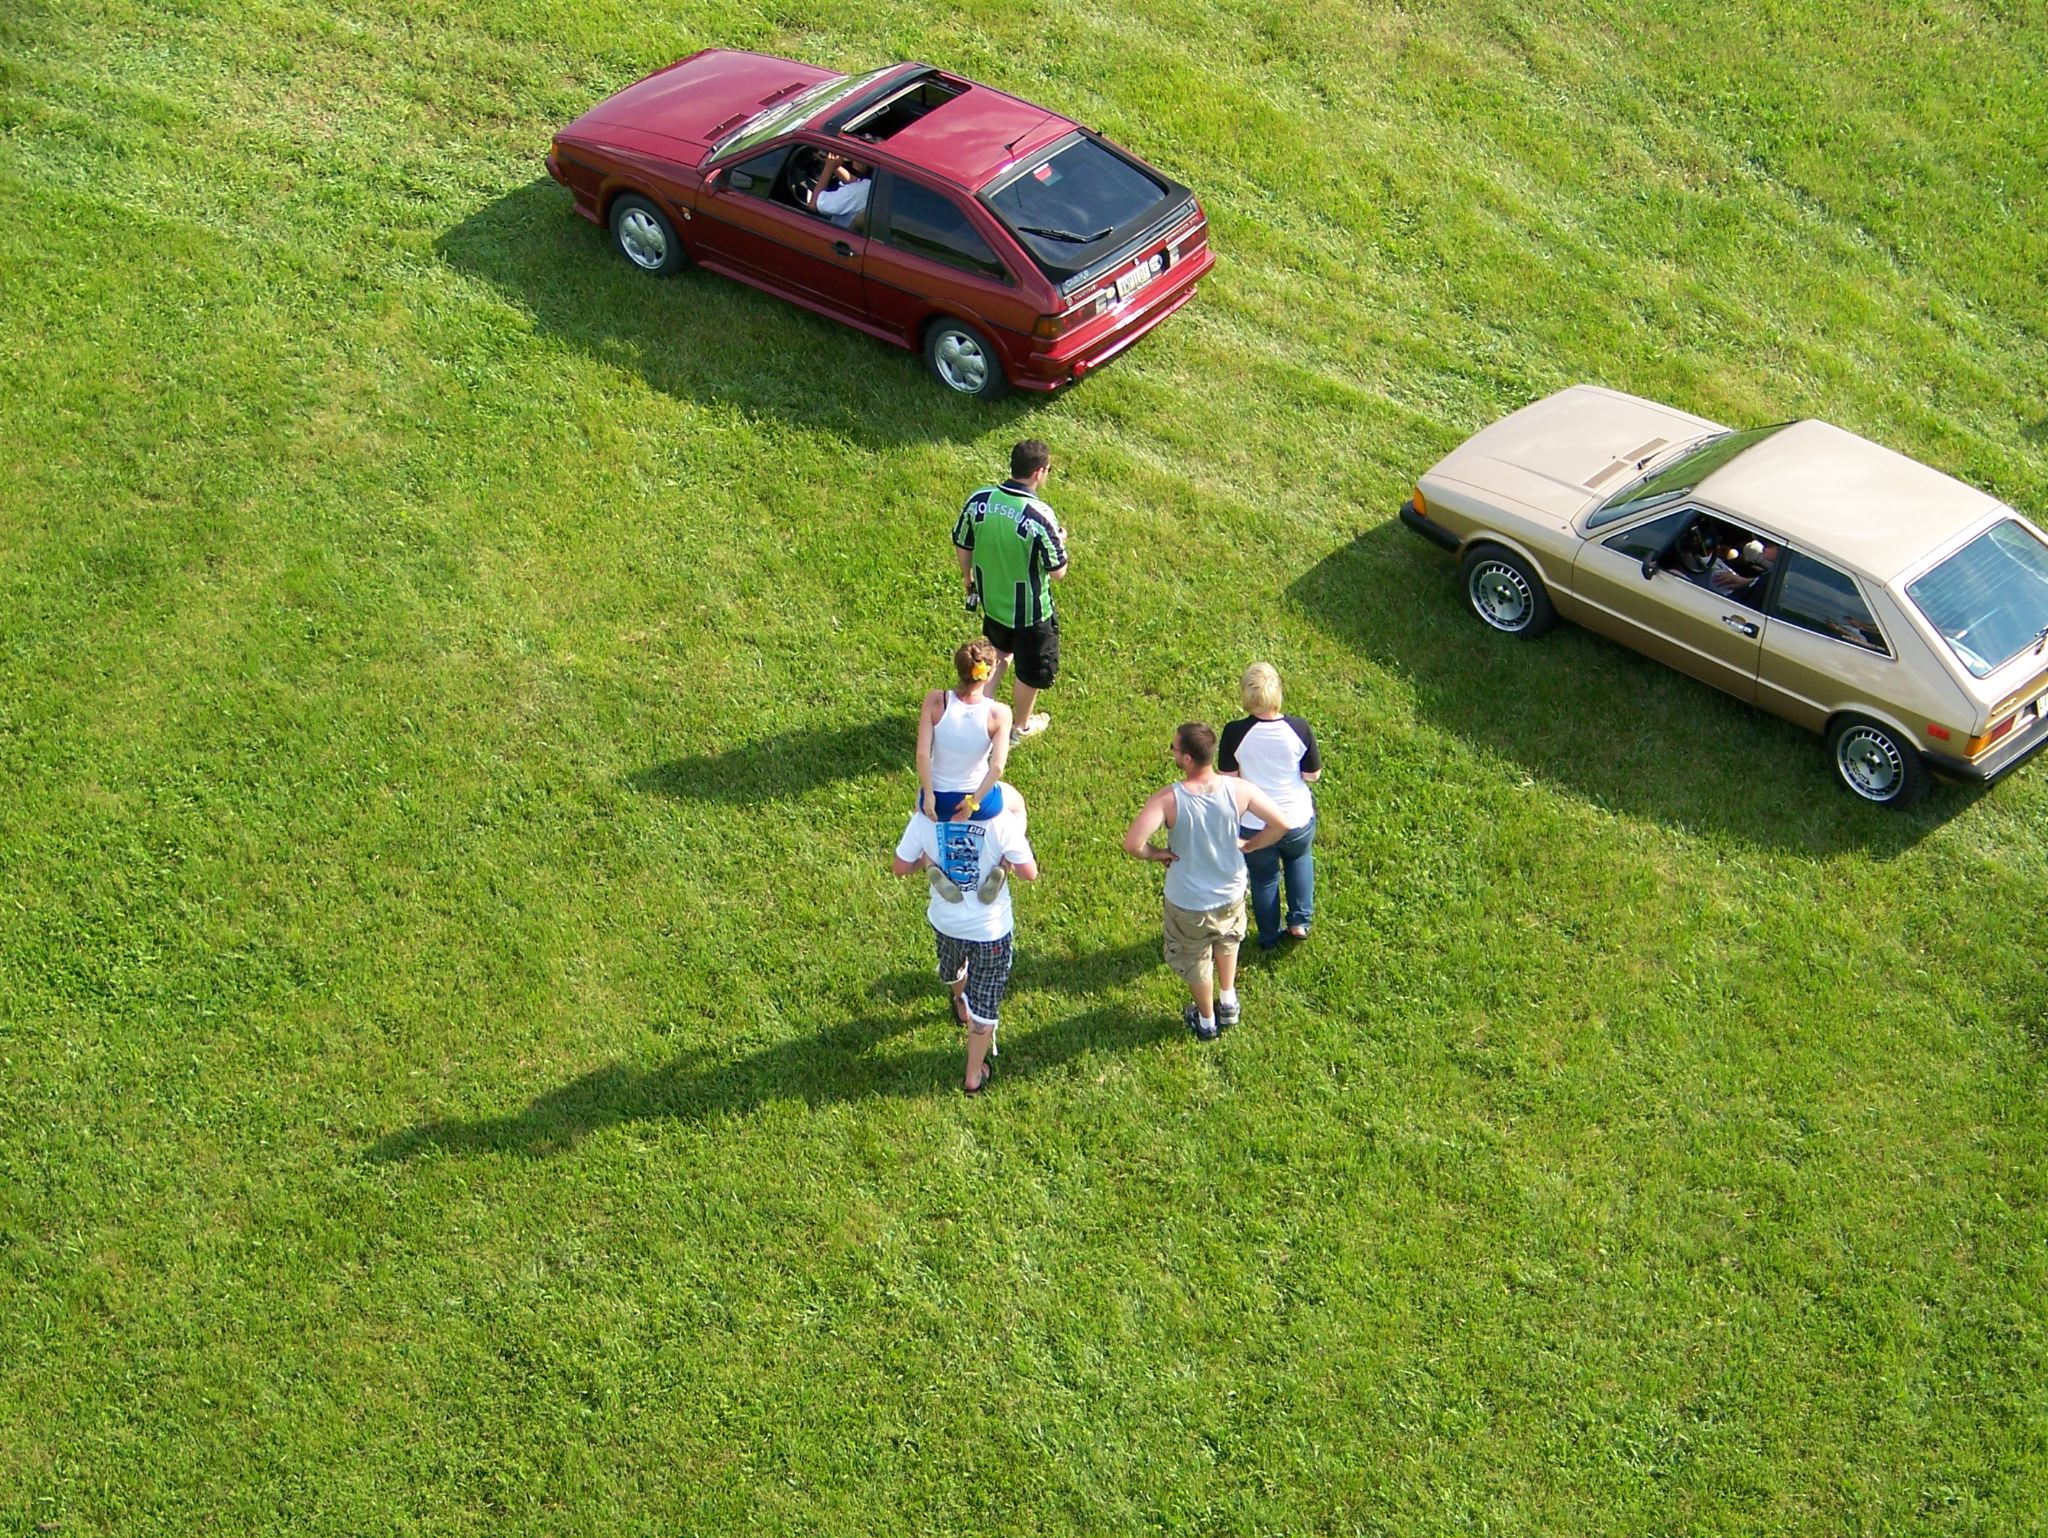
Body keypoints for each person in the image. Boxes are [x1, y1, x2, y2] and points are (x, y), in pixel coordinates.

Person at [1123, 723, 1291, 1041]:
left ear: (1187, 758)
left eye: (1174, 748)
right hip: (1230, 892)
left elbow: (1133, 844)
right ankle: (1228, 1001)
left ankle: (1206, 1020)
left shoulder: (1168, 800)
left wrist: (1157, 853)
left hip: (1188, 901)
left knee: (1195, 958)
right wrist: (1249, 845)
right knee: (1227, 941)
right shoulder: (1239, 790)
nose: (1171, 752)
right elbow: (1281, 823)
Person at [892, 789, 1037, 1093]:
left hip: (947, 923)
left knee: (953, 963)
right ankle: (973, 1076)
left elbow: (900, 867)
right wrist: (1011, 860)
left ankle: (960, 1004)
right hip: (990, 929)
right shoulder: (1001, 818)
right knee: (986, 998)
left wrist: (925, 859)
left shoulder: (925, 814)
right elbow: (1030, 873)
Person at [953, 440, 1068, 744]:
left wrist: (967, 577)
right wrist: (1060, 539)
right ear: (1039, 472)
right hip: (1031, 613)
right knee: (1029, 672)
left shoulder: (979, 499)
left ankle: (976, 714)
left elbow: (962, 542)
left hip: (992, 602)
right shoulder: (1040, 515)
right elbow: (1058, 571)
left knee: (999, 654)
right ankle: (1020, 728)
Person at [1218, 663, 1322, 950]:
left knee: (1264, 878)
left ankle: (1268, 935)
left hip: (1255, 824)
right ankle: (1299, 921)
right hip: (1297, 819)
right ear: (1278, 693)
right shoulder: (1299, 728)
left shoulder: (1234, 732)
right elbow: (1312, 775)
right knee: (1299, 860)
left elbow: (1228, 778)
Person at [916, 638, 1012, 822]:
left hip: (938, 800)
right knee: (1018, 804)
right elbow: (997, 768)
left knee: (918, 810)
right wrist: (973, 803)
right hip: (979, 800)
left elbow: (922, 754)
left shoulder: (935, 700)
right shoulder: (999, 713)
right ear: (990, 673)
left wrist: (928, 794)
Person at [809, 152, 872, 229]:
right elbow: (854, 181)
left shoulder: (853, 193)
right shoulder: (871, 185)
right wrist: (833, 165)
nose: (852, 158)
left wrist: (828, 168)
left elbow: (814, 205)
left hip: (836, 230)